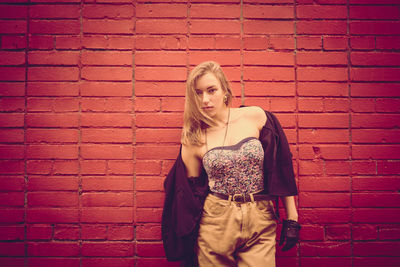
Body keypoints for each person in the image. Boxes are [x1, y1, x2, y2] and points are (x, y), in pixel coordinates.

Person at [162, 61, 300, 267]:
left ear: (225, 90)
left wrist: (292, 217)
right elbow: (191, 193)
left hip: (260, 216)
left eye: (211, 90)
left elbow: (281, 168)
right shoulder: (193, 138)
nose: (205, 99)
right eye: (198, 93)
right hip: (216, 221)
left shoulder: (256, 117)